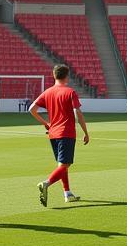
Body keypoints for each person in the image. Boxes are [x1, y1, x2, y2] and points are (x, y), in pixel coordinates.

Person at [30, 64, 90, 205]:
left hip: (53, 134)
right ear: (67, 76)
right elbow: (77, 113)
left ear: (54, 75)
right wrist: (86, 132)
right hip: (66, 132)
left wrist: (45, 123)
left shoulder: (48, 92)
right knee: (65, 164)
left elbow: (32, 109)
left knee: (61, 165)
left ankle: (67, 193)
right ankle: (46, 183)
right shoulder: (70, 92)